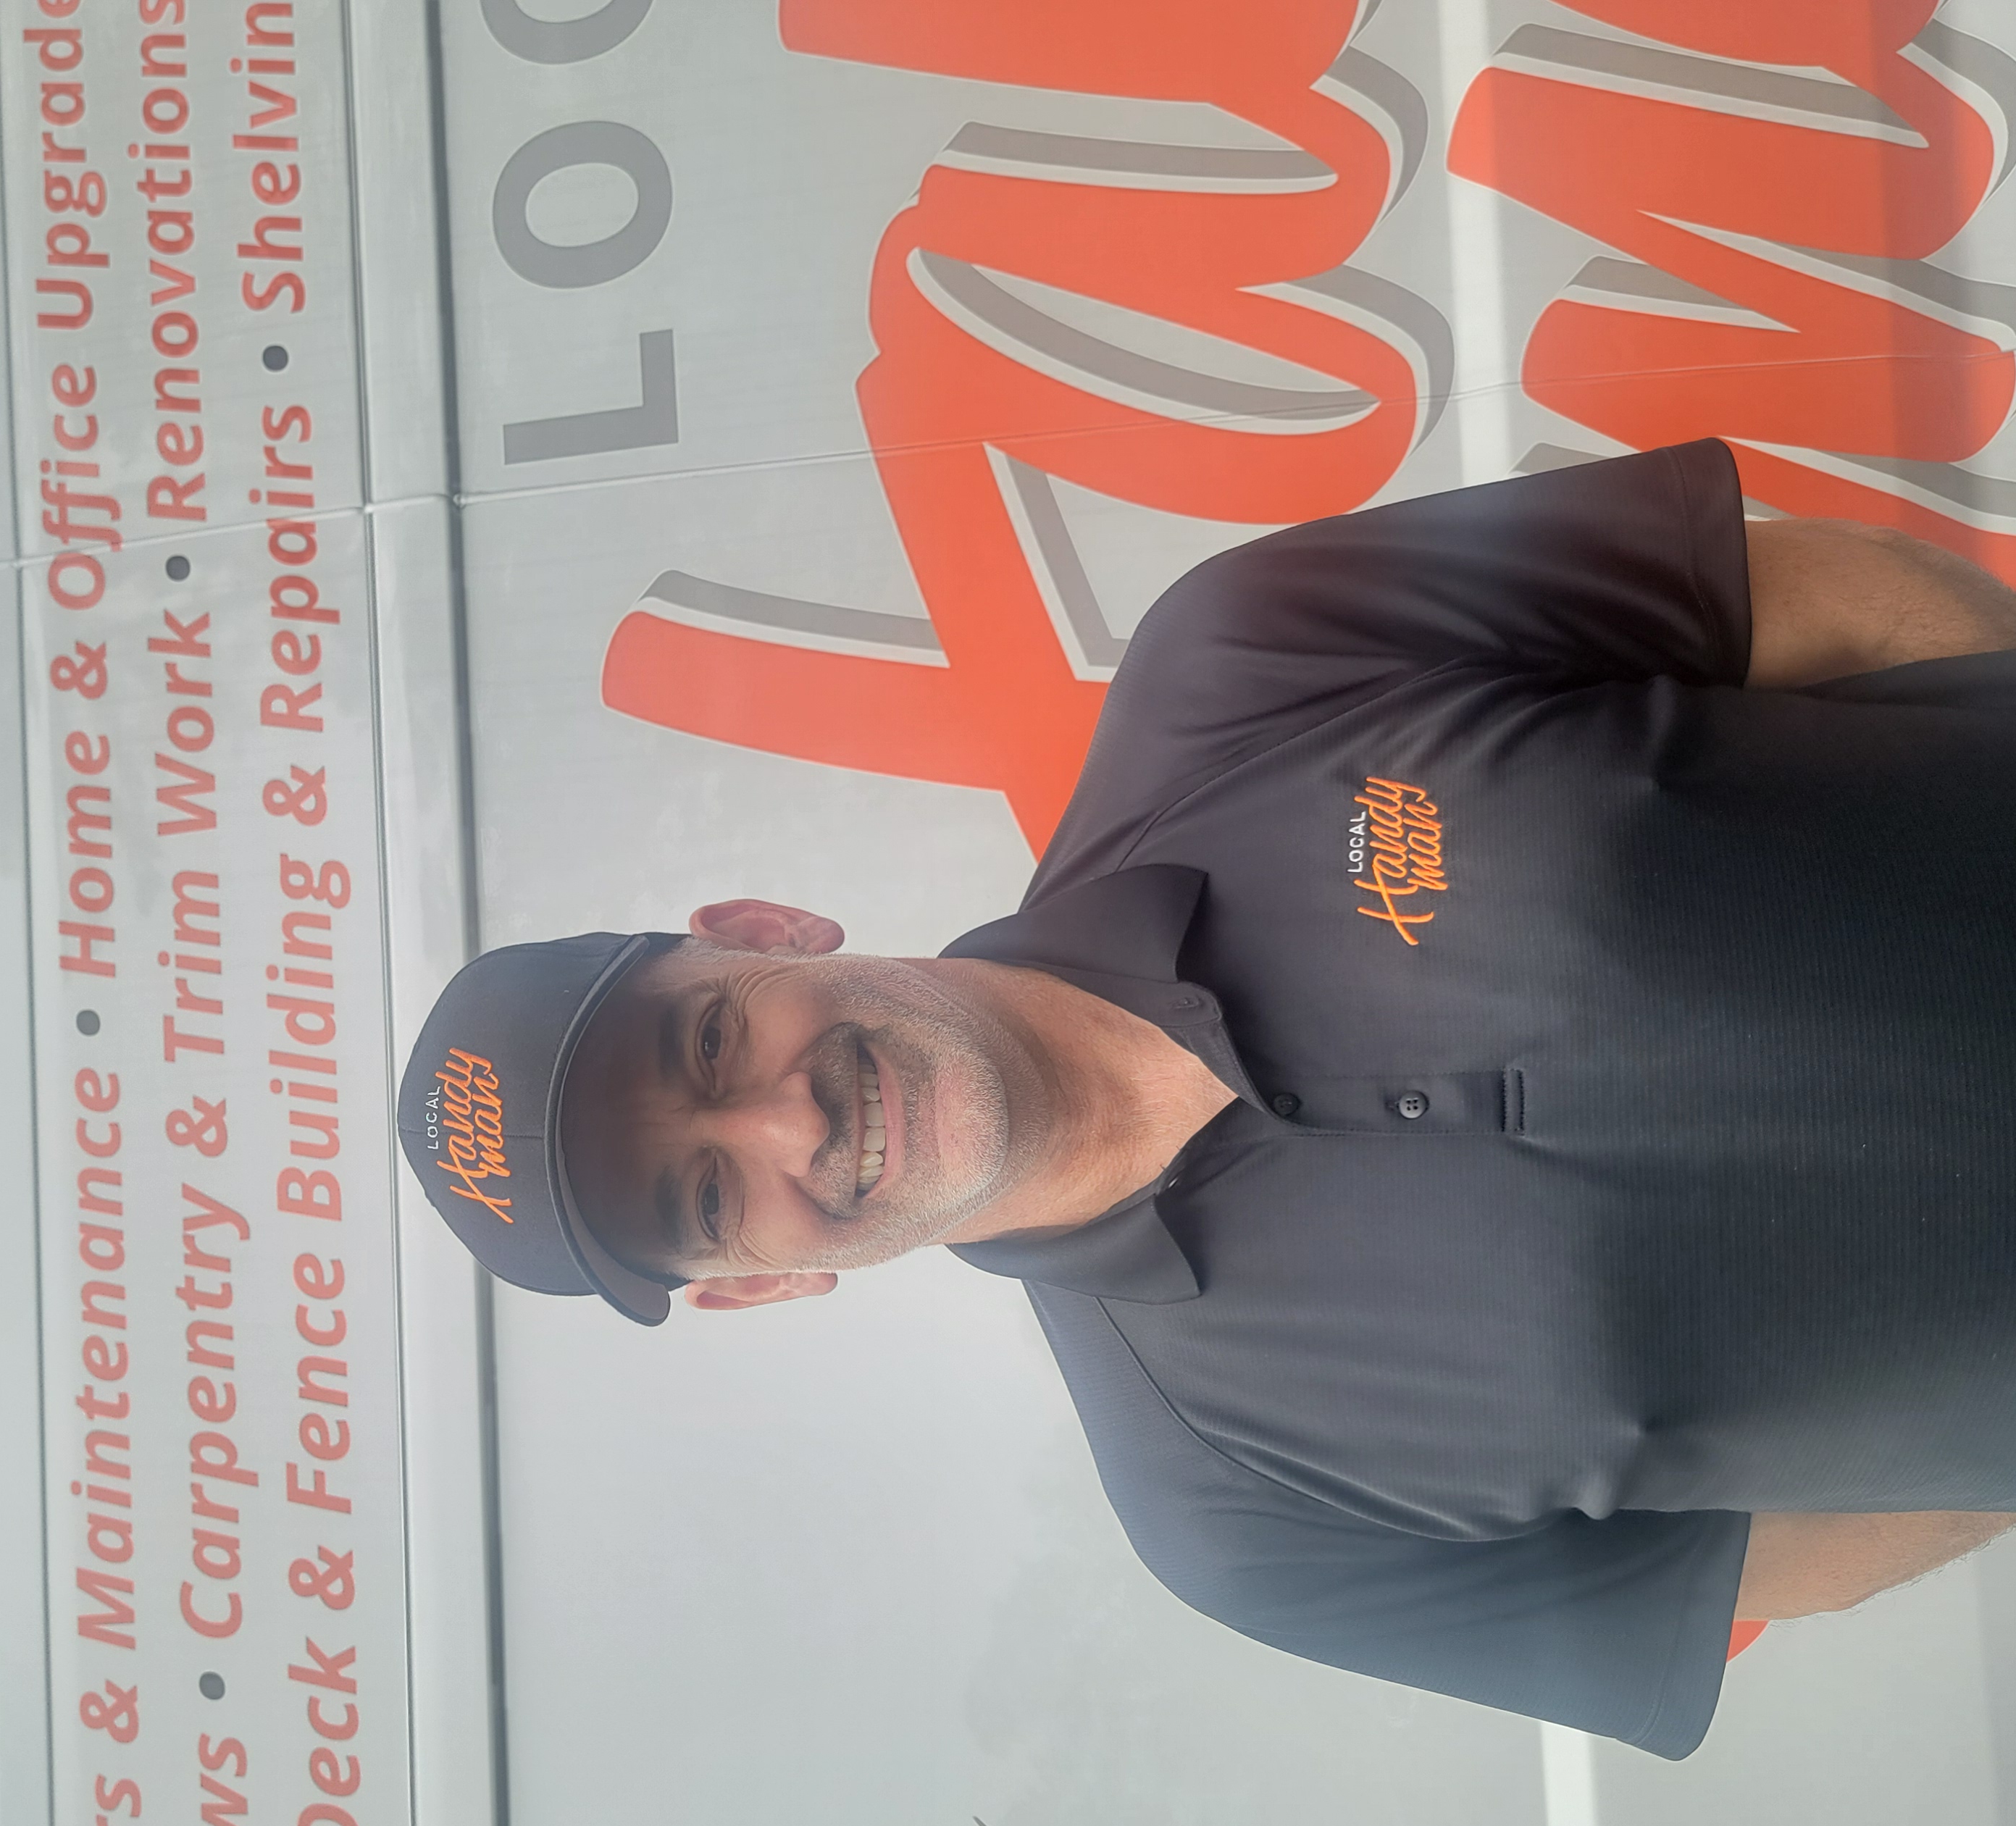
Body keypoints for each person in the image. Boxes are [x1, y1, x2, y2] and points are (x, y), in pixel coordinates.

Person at [400, 439, 2016, 1757]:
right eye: (701, 1195)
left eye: (703, 1048)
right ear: (757, 1281)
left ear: (757, 931)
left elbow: (1823, 608)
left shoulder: (1241, 656)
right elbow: (1774, 1553)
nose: (785, 1126)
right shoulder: (1239, 1524)